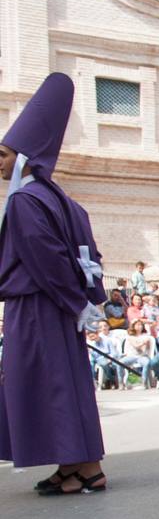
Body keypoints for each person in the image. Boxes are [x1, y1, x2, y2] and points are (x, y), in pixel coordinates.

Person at [0, 73, 110, 495]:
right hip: (59, 305)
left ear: (26, 156)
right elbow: (86, 252)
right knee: (66, 382)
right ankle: (78, 464)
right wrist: (87, 300)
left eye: (6, 154)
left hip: (38, 305)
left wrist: (72, 300)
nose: (2, 162)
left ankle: (84, 467)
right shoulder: (60, 197)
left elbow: (45, 258)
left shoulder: (25, 199)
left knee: (53, 386)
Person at [120, 319, 155, 387]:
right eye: (138, 325)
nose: (140, 327)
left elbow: (143, 350)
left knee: (146, 363)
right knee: (119, 363)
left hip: (142, 356)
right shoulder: (129, 336)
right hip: (131, 356)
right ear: (133, 326)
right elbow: (136, 346)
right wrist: (142, 343)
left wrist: (143, 344)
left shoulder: (146, 336)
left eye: (141, 325)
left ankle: (144, 382)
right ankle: (121, 383)